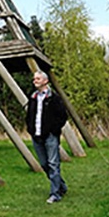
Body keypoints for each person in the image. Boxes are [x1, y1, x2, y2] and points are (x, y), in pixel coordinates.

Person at [26, 70, 69, 204]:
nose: (35, 81)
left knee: (53, 164)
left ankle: (55, 194)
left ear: (45, 81)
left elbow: (63, 116)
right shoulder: (32, 97)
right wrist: (30, 128)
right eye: (34, 79)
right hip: (36, 135)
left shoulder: (53, 98)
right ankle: (61, 186)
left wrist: (53, 130)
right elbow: (29, 116)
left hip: (50, 136)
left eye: (38, 79)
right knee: (44, 164)